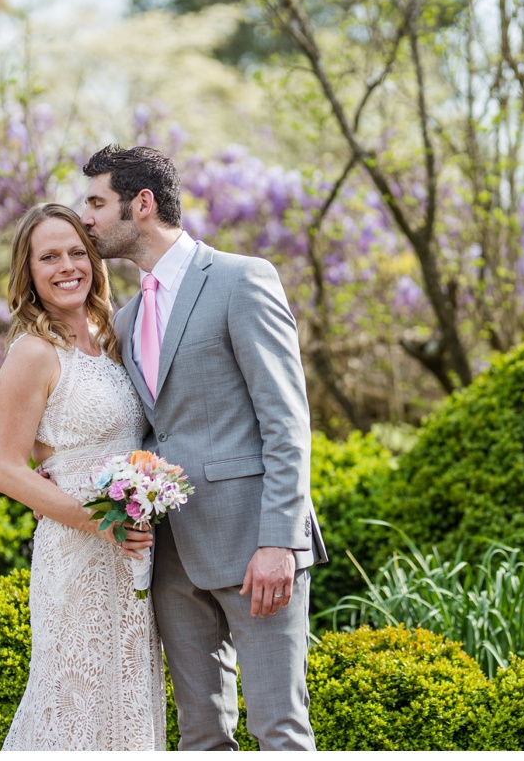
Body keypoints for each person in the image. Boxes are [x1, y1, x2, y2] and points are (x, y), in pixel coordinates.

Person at [79, 145, 327, 751]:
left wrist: (279, 541)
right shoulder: (127, 317)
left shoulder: (243, 280)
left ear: (141, 204)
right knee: (199, 736)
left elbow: (287, 422)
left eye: (96, 202)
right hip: (171, 559)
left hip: (254, 549)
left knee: (280, 728)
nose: (85, 218)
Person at [0, 203, 165, 751]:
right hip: (76, 553)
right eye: (49, 257)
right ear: (29, 273)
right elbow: (9, 471)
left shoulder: (115, 338)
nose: (67, 266)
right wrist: (101, 523)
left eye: (75, 252)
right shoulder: (33, 354)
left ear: (93, 259)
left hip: (133, 555)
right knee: (72, 695)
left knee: (128, 696)